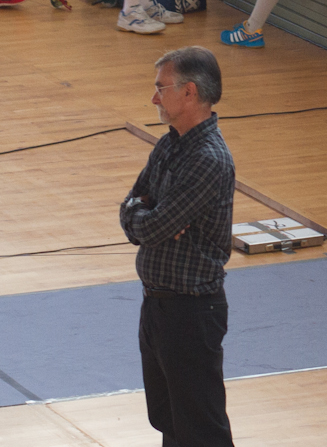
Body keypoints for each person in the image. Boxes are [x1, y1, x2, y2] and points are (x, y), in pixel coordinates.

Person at [120, 46, 236, 447]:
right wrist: (145, 215)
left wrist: (148, 217)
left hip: (191, 312)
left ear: (189, 92)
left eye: (161, 88)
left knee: (201, 429)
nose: (154, 98)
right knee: (169, 419)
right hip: (158, 306)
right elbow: (133, 209)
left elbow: (154, 226)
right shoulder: (169, 146)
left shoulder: (208, 159)